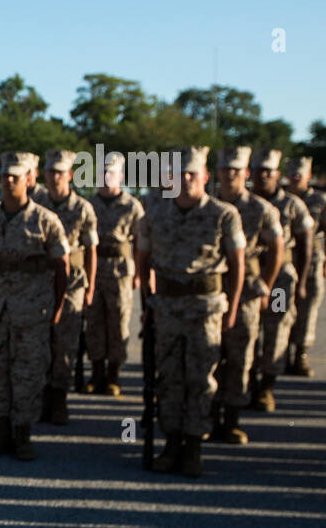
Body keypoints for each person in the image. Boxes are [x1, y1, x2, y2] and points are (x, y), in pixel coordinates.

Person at [136, 146, 244, 477]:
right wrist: (147, 302)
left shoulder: (223, 214)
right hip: (166, 306)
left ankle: (194, 445)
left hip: (205, 308)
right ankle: (172, 442)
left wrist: (233, 309)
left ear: (205, 178)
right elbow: (143, 258)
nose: (185, 180)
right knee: (168, 377)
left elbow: (237, 264)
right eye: (179, 174)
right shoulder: (154, 214)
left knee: (200, 378)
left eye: (192, 174)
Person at [0, 151, 69, 460]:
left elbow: (62, 268)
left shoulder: (45, 220)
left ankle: (23, 433)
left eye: (16, 176)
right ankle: (1, 429)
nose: (9, 181)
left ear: (29, 180)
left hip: (31, 310)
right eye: (5, 176)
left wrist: (55, 310)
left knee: (27, 371)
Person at [211, 146, 281, 444]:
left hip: (248, 290)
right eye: (226, 170)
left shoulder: (261, 209)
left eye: (236, 171)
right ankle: (207, 417)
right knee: (210, 355)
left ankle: (231, 420)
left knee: (240, 356)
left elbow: (277, 249)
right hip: (213, 289)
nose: (230, 176)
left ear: (246, 174)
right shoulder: (208, 206)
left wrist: (266, 284)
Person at [36, 149, 97, 425]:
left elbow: (91, 249)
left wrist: (91, 287)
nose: (54, 177)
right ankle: (39, 395)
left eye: (59, 172)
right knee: (38, 340)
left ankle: (59, 397)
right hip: (39, 280)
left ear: (70, 175)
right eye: (50, 171)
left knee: (64, 340)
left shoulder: (82, 208)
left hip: (72, 281)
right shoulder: (35, 203)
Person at [251, 149, 313, 410]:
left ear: (277, 174)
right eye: (258, 171)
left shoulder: (291, 204)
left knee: (277, 329)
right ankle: (247, 382)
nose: (263, 176)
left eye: (269, 171)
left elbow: (305, 244)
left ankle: (267, 386)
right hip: (251, 275)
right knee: (248, 330)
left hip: (281, 280)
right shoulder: (242, 203)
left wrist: (301, 283)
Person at [85, 152, 143, 396]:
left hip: (120, 271)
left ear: (121, 176)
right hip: (95, 269)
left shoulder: (132, 206)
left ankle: (113, 375)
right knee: (94, 322)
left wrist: (139, 273)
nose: (108, 177)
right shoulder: (89, 204)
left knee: (118, 323)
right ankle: (96, 372)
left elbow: (141, 242)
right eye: (104, 172)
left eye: (113, 172)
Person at [285, 156, 326, 376]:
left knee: (307, 310)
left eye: (300, 174)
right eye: (292, 173)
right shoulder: (280, 200)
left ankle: (300, 354)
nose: (295, 177)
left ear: (308, 176)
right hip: (283, 267)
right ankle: (280, 353)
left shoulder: (321, 200)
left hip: (312, 265)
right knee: (279, 308)